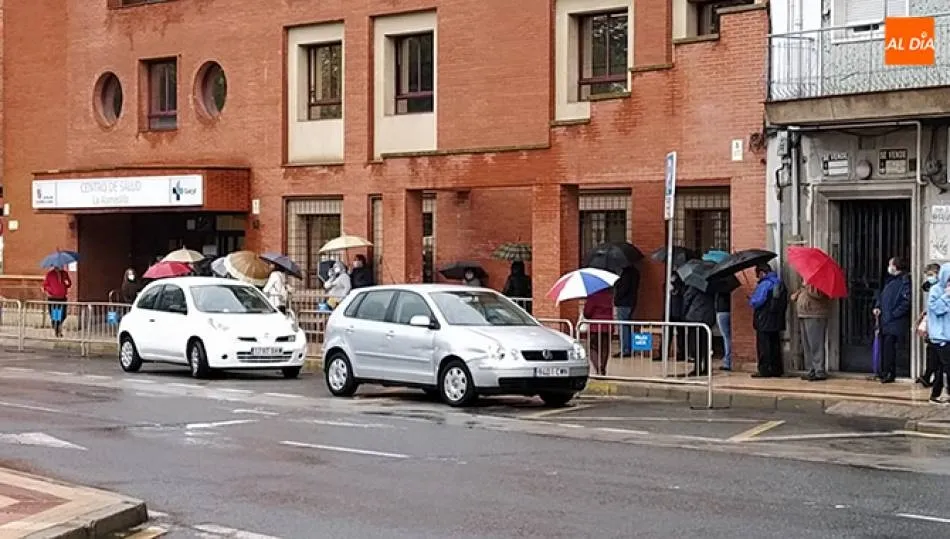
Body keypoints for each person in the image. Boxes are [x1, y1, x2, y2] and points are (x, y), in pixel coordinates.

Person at [873, 256, 911, 383]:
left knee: (890, 348)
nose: (889, 267)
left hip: (894, 321)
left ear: (895, 266)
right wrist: (878, 306)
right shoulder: (889, 280)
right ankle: (884, 371)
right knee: (885, 347)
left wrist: (894, 314)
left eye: (890, 264)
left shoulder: (904, 281)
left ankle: (889, 373)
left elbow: (906, 301)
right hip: (886, 319)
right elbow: (882, 296)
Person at [750, 262, 788, 378]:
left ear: (762, 273)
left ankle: (764, 370)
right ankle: (776, 369)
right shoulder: (779, 282)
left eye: (757, 275)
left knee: (763, 346)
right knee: (775, 345)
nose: (757, 278)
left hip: (764, 319)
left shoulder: (765, 284)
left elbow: (757, 301)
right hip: (776, 320)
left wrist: (751, 299)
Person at [792, 284, 830, 381]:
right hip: (804, 314)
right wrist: (799, 293)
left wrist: (807, 286)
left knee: (815, 344)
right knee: (807, 344)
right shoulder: (809, 283)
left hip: (815, 314)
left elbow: (818, 294)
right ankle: (811, 369)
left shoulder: (820, 282)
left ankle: (819, 370)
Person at [926, 262, 950, 404]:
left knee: (941, 368)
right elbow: (936, 308)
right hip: (941, 336)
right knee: (947, 366)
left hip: (947, 335)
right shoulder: (936, 290)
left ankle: (935, 394)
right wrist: (946, 296)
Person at [682, 283, 716, 376]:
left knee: (696, 344)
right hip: (709, 318)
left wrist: (684, 314)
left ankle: (697, 368)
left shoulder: (696, 284)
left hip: (696, 318)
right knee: (706, 345)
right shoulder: (713, 285)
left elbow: (687, 298)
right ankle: (707, 368)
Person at [916, 263, 941, 387]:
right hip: (933, 327)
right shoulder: (932, 287)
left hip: (940, 328)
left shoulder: (942, 288)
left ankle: (930, 377)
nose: (929, 277)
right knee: (932, 353)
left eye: (931, 274)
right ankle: (928, 376)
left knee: (936, 355)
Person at [583, 288, 614, 376]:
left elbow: (587, 313)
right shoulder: (609, 296)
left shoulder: (592, 296)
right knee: (605, 348)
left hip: (595, 327)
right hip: (608, 326)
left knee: (592, 348)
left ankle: (598, 368)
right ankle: (603, 368)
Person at [612, 266, 640, 358]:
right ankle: (628, 348)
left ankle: (625, 349)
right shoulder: (635, 272)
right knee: (627, 326)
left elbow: (623, 289)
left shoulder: (626, 274)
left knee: (623, 327)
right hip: (631, 303)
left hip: (623, 303)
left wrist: (616, 298)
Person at [42, 266, 72, 338]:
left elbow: (69, 283)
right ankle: (57, 330)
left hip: (62, 298)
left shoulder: (64, 273)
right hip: (53, 298)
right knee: (56, 315)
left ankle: (58, 327)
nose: (59, 267)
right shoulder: (50, 274)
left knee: (63, 315)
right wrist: (50, 291)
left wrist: (66, 284)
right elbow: (45, 285)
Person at [715, 289, 733, 371]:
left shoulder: (720, 290)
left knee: (726, 337)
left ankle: (727, 362)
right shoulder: (729, 288)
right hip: (728, 311)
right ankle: (728, 360)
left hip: (722, 311)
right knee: (728, 337)